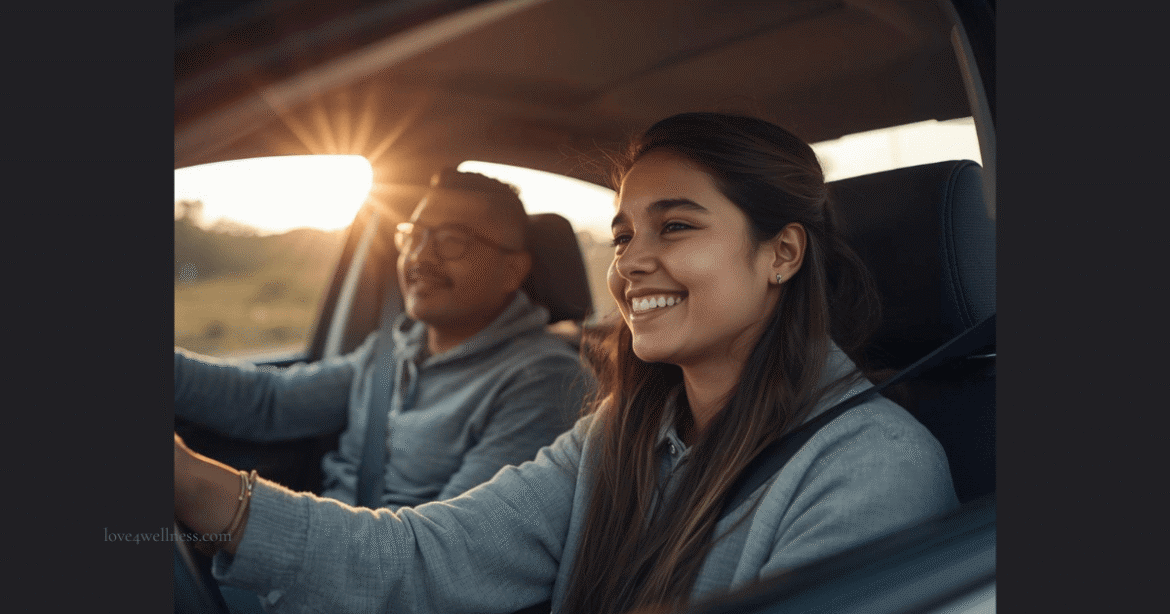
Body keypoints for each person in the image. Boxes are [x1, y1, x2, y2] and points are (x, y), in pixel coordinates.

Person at [175, 112, 958, 614]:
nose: (631, 265)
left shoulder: (873, 467)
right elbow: (419, 559)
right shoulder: (619, 433)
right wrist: (185, 477)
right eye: (622, 237)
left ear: (781, 253)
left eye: (675, 226)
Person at [175, 168, 587, 510]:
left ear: (513, 271)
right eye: (413, 235)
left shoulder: (543, 381)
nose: (420, 257)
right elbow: (269, 403)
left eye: (452, 240)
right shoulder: (390, 349)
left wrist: (209, 494)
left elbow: (435, 552)